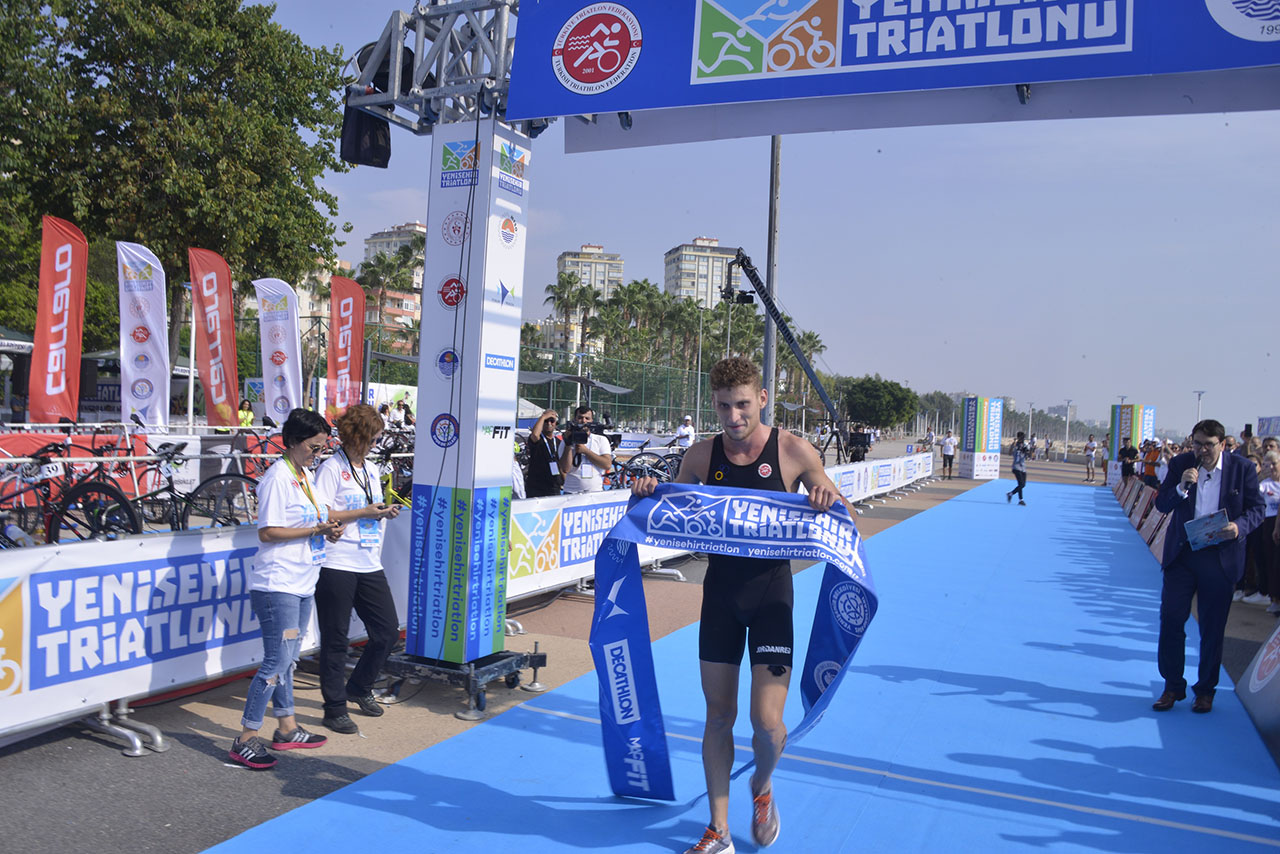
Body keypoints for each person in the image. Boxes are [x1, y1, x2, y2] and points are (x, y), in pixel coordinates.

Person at [632, 356, 852, 854]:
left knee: (769, 725)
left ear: (763, 399)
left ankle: (763, 786)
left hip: (772, 597)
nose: (734, 416)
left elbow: (848, 519)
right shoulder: (700, 455)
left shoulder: (793, 450)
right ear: (713, 404)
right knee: (717, 717)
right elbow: (663, 511)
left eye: (743, 405)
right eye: (724, 406)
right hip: (720, 598)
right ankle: (719, 830)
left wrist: (826, 497)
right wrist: (645, 494)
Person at [228, 408, 343, 769]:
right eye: (313, 447)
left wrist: (329, 528)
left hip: (302, 580)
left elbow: (312, 520)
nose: (318, 454)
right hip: (278, 584)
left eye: (323, 447)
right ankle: (246, 737)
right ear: (293, 442)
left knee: (288, 660)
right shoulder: (278, 478)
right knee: (275, 662)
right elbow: (268, 532)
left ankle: (287, 727)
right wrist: (316, 531)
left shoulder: (304, 474)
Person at [1150, 419, 1265, 714]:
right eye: (1197, 443)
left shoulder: (1242, 469)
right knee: (1171, 619)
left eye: (1209, 445)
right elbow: (1162, 504)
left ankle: (1205, 691)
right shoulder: (1181, 464)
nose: (1202, 450)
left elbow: (1257, 509)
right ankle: (1172, 686)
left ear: (1222, 444)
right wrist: (1180, 486)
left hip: (1220, 556)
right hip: (1182, 555)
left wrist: (1238, 527)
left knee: (1212, 628)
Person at [312, 404, 403, 735]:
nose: (377, 442)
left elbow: (368, 507)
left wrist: (381, 512)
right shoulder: (331, 468)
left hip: (367, 560)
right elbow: (322, 512)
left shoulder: (370, 469)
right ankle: (334, 707)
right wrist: (362, 511)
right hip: (337, 561)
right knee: (336, 639)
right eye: (374, 436)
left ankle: (359, 686)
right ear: (359, 436)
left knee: (387, 631)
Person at [558, 405, 612, 494]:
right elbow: (565, 469)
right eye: (580, 418)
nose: (583, 421)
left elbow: (607, 464)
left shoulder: (601, 439)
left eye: (587, 418)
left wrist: (586, 451)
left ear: (592, 421)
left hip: (594, 492)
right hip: (571, 492)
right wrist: (568, 444)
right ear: (574, 419)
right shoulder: (566, 441)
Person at [524, 410, 563, 498]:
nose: (549, 423)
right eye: (546, 421)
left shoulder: (559, 442)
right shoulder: (539, 439)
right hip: (536, 487)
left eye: (552, 421)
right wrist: (543, 417)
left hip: (553, 486)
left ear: (556, 423)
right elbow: (534, 435)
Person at [1007, 431, 1029, 505]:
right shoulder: (1015, 445)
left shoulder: (1025, 445)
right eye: (1022, 437)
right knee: (1021, 484)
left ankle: (1019, 499)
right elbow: (1010, 453)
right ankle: (1013, 495)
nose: (1023, 439)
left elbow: (1029, 454)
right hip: (1016, 467)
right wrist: (1014, 444)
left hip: (1023, 467)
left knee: (1022, 484)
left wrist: (1027, 451)